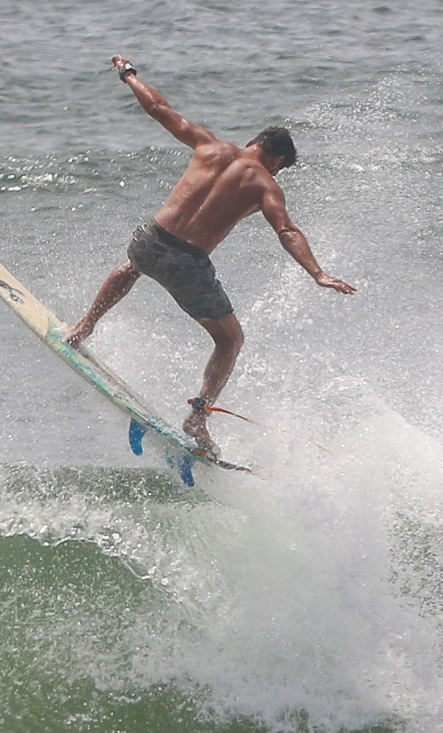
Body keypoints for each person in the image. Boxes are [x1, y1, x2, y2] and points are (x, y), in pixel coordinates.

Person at [67, 54, 355, 455]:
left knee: (133, 266)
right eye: (281, 167)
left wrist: (128, 74)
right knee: (230, 341)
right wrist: (317, 273)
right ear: (275, 158)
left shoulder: (207, 144)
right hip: (187, 263)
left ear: (254, 141)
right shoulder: (265, 184)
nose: (278, 174)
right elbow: (286, 230)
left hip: (148, 238)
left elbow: (158, 108)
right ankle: (198, 416)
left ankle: (82, 327)